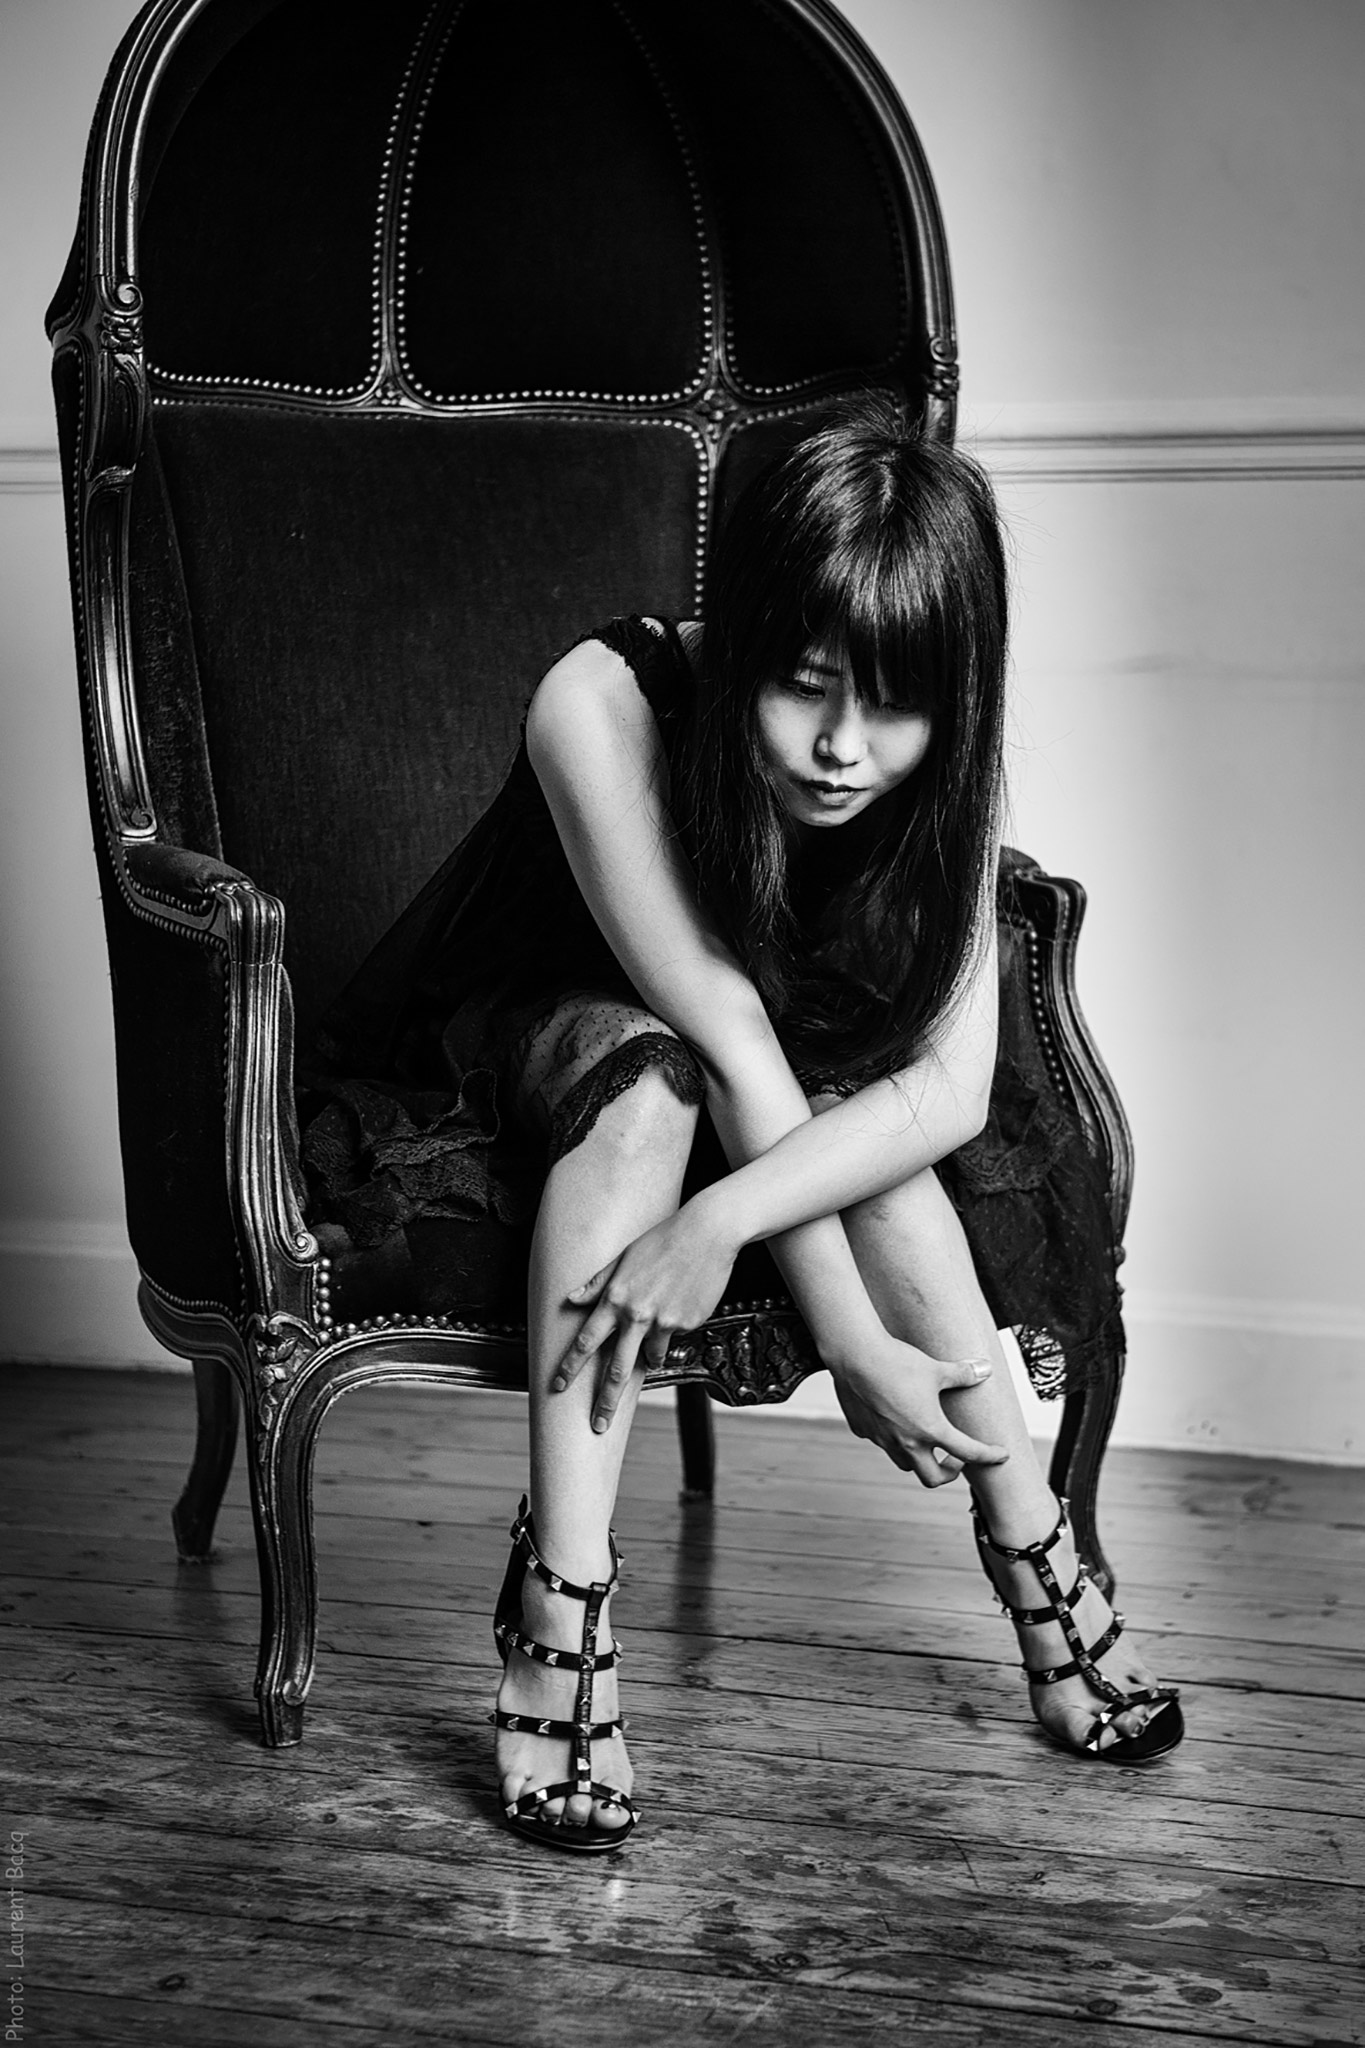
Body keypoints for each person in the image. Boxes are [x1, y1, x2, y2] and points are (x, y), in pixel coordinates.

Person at [302, 395, 1182, 1856]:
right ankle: (561, 1609)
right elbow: (717, 1029)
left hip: (781, 1058)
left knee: (877, 1143)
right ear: (749, 634)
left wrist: (724, 1223)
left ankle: (1035, 1559)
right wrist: (845, 1339)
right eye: (805, 686)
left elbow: (947, 1096)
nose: (843, 748)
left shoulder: (944, 767)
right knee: (649, 1092)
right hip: (563, 1031)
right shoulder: (598, 699)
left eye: (893, 706)